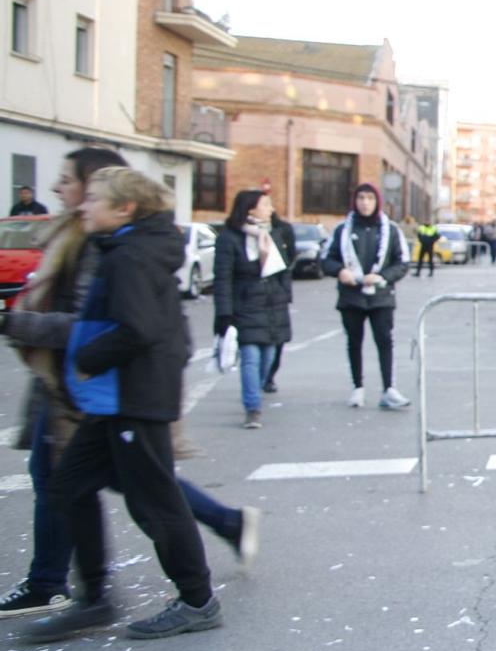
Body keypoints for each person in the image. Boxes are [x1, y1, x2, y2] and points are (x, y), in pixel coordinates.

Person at [0, 148, 258, 619]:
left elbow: (138, 329)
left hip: (131, 395)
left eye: (92, 197)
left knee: (152, 502)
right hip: (115, 398)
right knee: (68, 485)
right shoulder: (121, 248)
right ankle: (94, 596)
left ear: (125, 208)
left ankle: (196, 599)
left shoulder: (128, 257)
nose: (81, 205)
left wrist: (86, 358)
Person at [324, 183, 411, 409]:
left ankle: (389, 388)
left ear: (377, 202)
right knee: (354, 342)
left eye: (370, 198)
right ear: (355, 201)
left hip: (381, 296)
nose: (365, 203)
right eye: (361, 198)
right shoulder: (343, 229)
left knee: (384, 341)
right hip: (351, 296)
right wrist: (339, 271)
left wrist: (382, 276)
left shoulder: (390, 230)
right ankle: (357, 387)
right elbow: (326, 259)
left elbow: (402, 263)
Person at [213, 189, 292, 429]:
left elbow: (285, 268)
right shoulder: (230, 238)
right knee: (250, 357)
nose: (270, 209)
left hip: (273, 306)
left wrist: (284, 294)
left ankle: (254, 392)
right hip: (245, 305)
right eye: (265, 204)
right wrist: (224, 313)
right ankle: (253, 408)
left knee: (268, 357)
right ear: (249, 209)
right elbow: (223, 278)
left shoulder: (274, 233)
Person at [263, 205, 298, 394]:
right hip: (251, 295)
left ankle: (269, 376)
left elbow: (291, 256)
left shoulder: (282, 229)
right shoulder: (238, 231)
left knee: (277, 338)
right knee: (252, 345)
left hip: (277, 290)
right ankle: (257, 380)